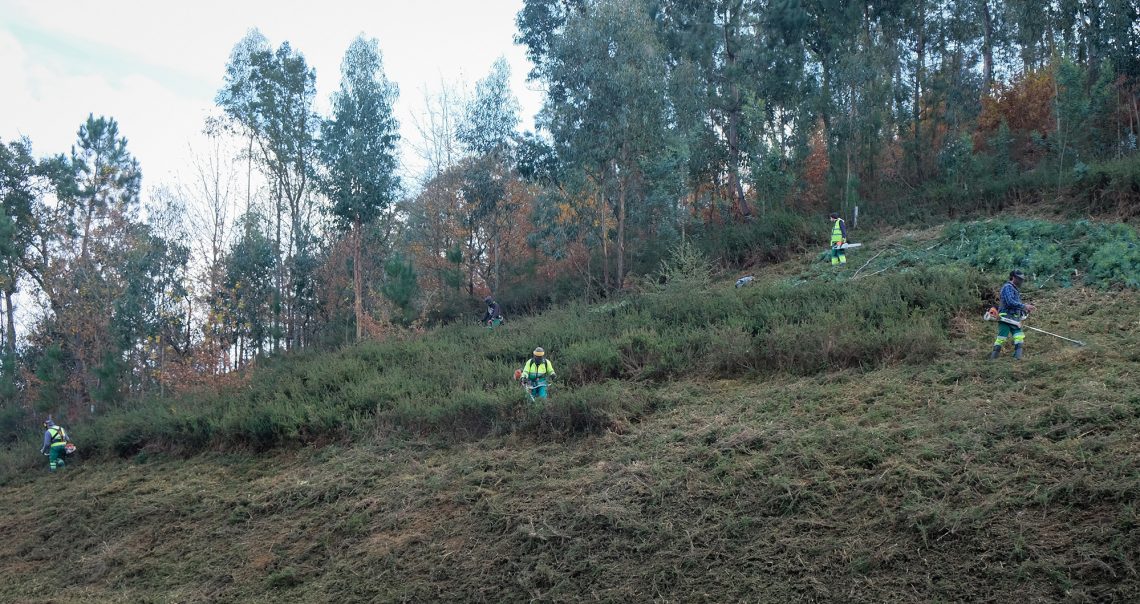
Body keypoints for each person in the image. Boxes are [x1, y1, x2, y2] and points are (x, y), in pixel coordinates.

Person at [990, 269, 1035, 360]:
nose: (1021, 281)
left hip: (1015, 319)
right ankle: (993, 359)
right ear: (1014, 278)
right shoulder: (1008, 287)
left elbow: (1016, 305)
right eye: (1019, 279)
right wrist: (1024, 306)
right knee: (1001, 338)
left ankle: (1017, 359)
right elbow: (1010, 302)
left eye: (1022, 279)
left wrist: (1024, 311)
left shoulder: (1015, 289)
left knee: (1019, 337)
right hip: (1005, 317)